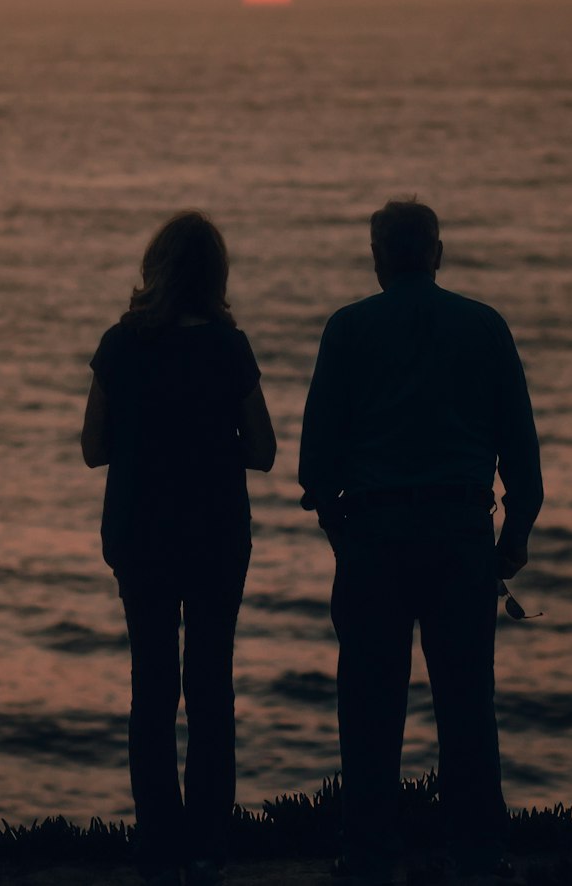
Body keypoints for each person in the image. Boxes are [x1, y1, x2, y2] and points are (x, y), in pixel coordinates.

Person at [298, 200, 543, 886]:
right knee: (467, 704)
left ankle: (370, 856)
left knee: (370, 704)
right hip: (460, 532)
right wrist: (511, 539)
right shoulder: (485, 327)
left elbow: (315, 467)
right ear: (438, 253)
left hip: (374, 533)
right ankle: (477, 856)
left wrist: (340, 530)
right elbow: (522, 460)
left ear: (377, 257)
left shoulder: (347, 329)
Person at [81, 211, 276, 886]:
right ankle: (208, 843)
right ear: (215, 275)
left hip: (139, 532)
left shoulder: (120, 345)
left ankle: (156, 840)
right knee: (211, 685)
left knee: (153, 687)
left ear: (154, 268)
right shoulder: (229, 348)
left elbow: (92, 449)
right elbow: (265, 450)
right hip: (217, 534)